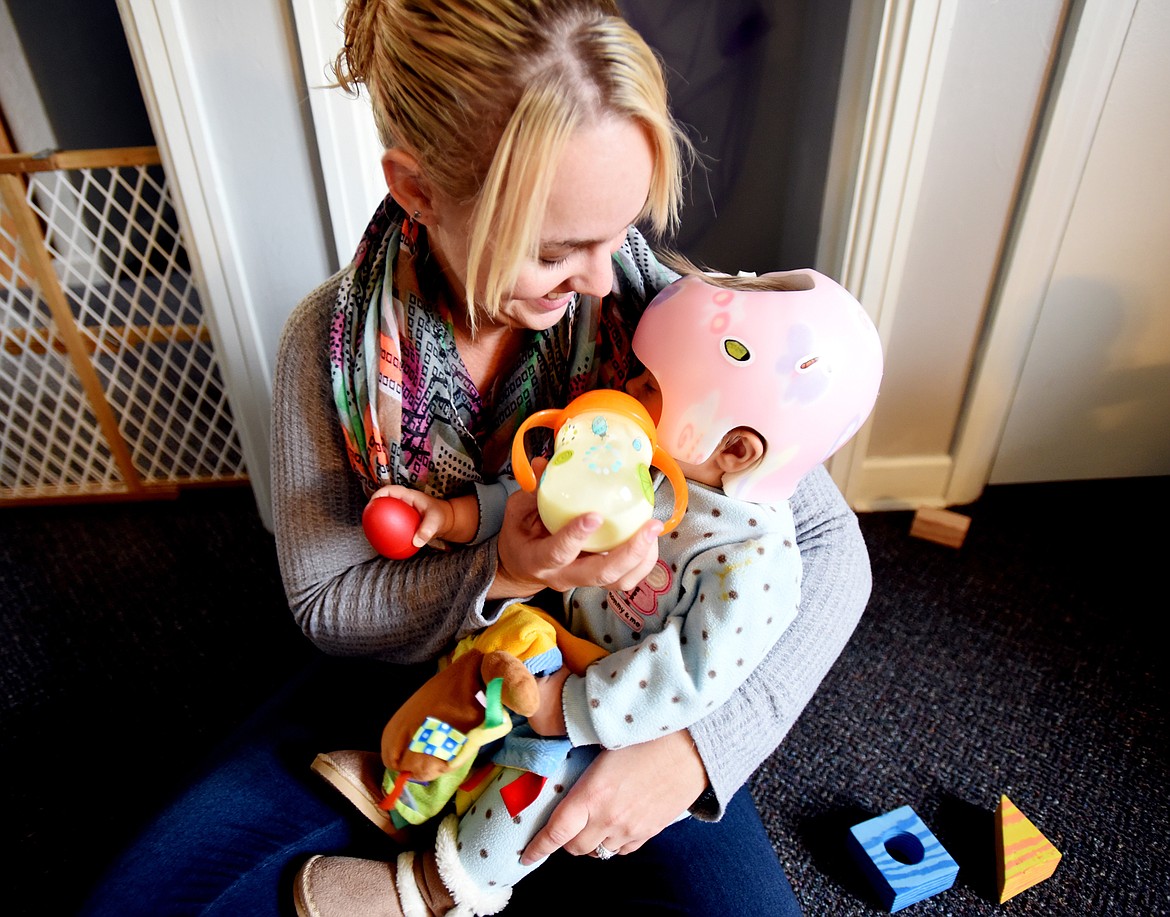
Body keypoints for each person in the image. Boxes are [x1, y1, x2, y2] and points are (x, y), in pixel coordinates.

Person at [77, 2, 873, 915]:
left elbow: (829, 547)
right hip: (404, 677)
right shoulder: (329, 351)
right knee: (154, 899)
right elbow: (330, 600)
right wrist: (498, 565)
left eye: (619, 231)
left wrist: (693, 752)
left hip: (610, 675)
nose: (603, 278)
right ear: (417, 191)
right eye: (557, 248)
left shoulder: (650, 312)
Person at [320, 267, 883, 915]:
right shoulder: (650, 452)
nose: (626, 388)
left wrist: (576, 708)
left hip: (617, 707)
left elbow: (688, 675)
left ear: (734, 448)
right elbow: (545, 491)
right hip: (561, 636)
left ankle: (438, 887)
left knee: (536, 777)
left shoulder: (753, 564)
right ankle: (418, 782)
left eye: (650, 385)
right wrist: (452, 519)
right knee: (482, 675)